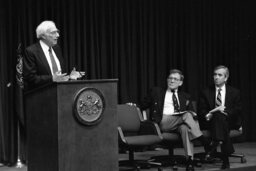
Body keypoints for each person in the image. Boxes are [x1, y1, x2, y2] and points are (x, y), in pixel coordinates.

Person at [139, 69, 207, 171]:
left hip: (178, 124)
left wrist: (192, 114)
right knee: (186, 116)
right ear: (167, 80)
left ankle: (190, 161)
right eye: (170, 78)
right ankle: (202, 139)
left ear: (180, 83)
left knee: (185, 128)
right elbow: (143, 104)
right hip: (163, 122)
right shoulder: (157, 92)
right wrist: (133, 106)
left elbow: (193, 114)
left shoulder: (185, 96)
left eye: (175, 79)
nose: (172, 81)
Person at [198, 65, 242, 169]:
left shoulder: (235, 92)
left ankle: (214, 146)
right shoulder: (205, 91)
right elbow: (201, 110)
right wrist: (208, 114)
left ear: (226, 77)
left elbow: (237, 109)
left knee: (220, 116)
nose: (216, 77)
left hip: (229, 121)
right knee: (218, 116)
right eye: (215, 74)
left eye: (219, 75)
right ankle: (225, 158)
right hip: (210, 121)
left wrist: (224, 112)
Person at [23, 20, 84, 91]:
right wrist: (52, 78)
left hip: (61, 93)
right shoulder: (31, 51)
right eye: (53, 33)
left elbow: (59, 74)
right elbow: (30, 78)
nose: (58, 35)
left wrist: (70, 77)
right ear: (43, 36)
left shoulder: (56, 49)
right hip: (42, 94)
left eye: (57, 32)